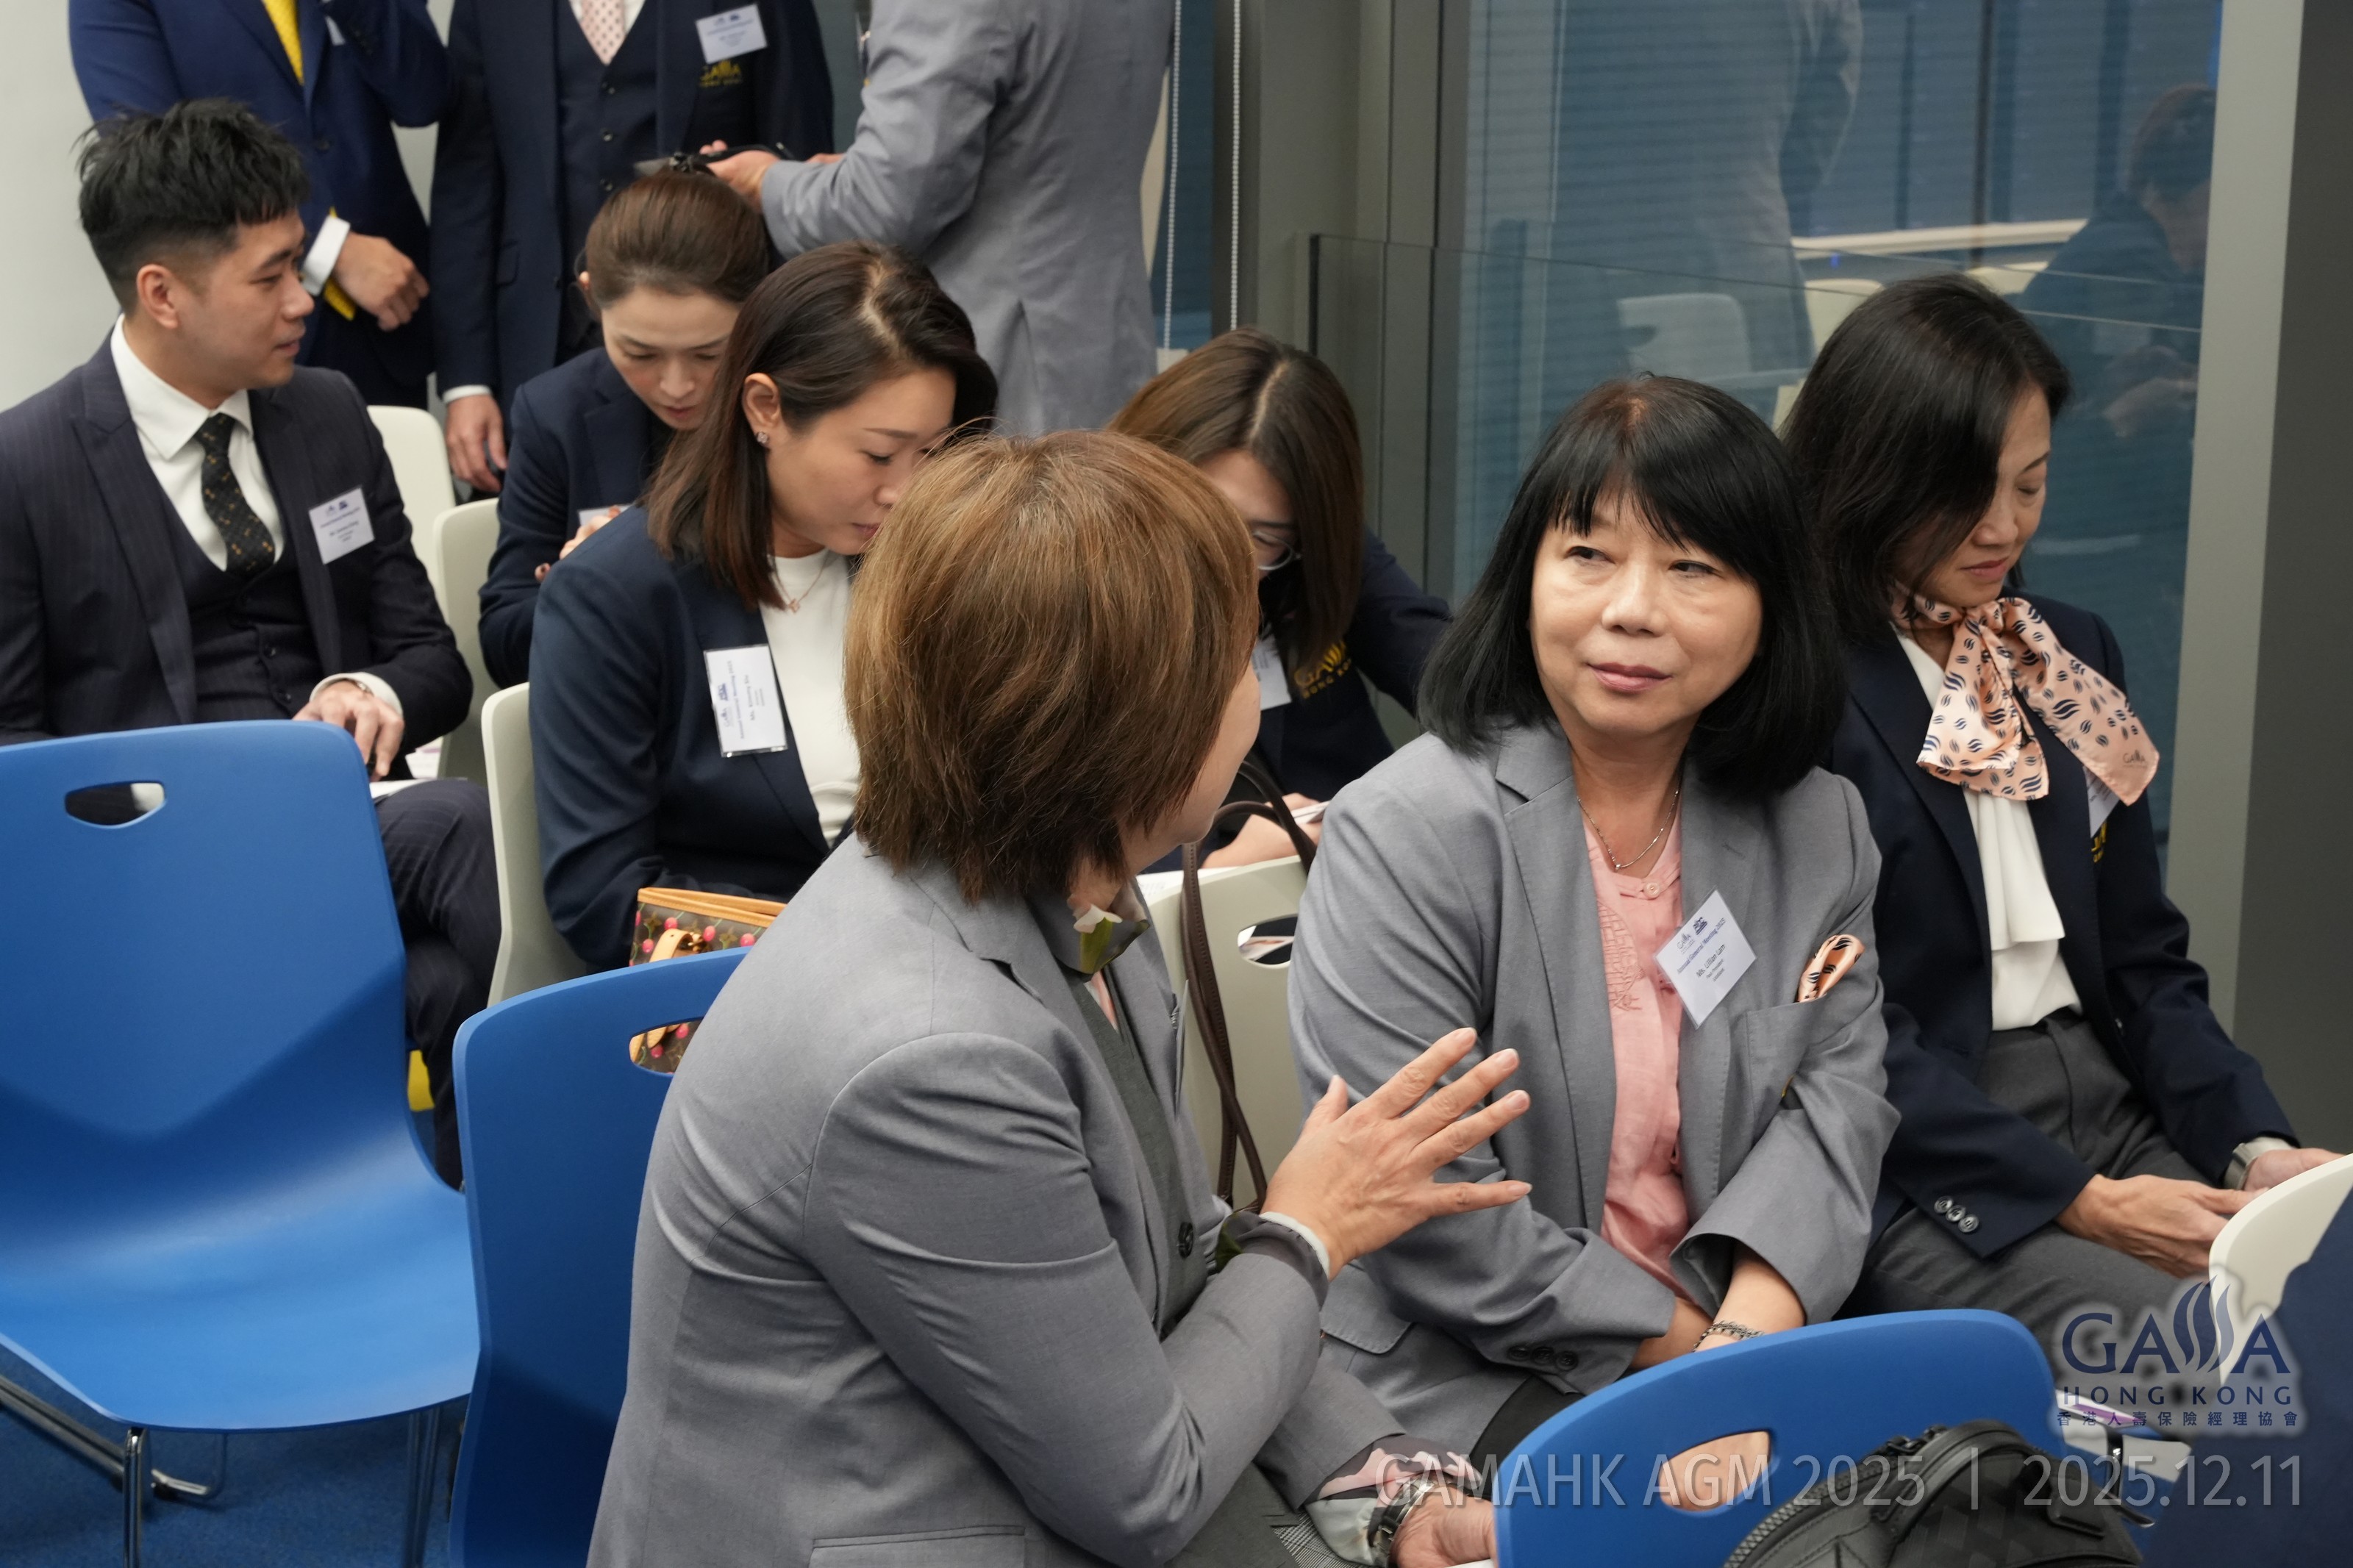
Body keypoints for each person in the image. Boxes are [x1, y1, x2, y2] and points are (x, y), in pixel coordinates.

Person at [590, 428, 1529, 1568]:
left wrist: (1391, 1490)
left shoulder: (1058, 886)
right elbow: (1145, 1488)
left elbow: (1183, 1257)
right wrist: (1312, 1231)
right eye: (1238, 663)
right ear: (1142, 733)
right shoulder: (929, 1057)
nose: (1253, 696)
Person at [1289, 376, 1896, 1486]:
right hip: (1465, 1369)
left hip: (1739, 1336)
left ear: (1772, 605)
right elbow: (1437, 1213)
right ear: (1524, 574)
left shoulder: (1819, 826)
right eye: (1587, 555)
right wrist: (1698, 1374)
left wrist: (1743, 1348)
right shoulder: (1409, 830)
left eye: (1692, 568)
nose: (1632, 610)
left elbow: (1835, 1112)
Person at [1781, 275, 2337, 1370]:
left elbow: (2142, 959)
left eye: (2030, 484)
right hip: (1920, 1158)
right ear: (1867, 474)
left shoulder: (2062, 652)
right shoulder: (1796, 692)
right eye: (1963, 494)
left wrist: (2251, 1147)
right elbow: (1836, 1033)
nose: (2004, 527)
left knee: (2326, 1316)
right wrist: (2081, 1200)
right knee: (2235, 1368)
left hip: (2115, 1105)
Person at [0, 101, 493, 1184]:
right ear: (162, 294)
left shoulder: (327, 413)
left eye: (297, 266)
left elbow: (433, 661)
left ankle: (477, 1236)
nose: (302, 299)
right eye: (270, 277)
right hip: (165, 863)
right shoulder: (26, 469)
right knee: (463, 825)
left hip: (347, 821)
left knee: (455, 984)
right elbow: (14, 749)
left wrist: (369, 691)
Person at [530, 241, 992, 970]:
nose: (904, 491)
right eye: (878, 455)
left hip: (930, 969)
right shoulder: (617, 596)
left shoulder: (920, 564)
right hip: (728, 996)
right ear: (765, 409)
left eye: (931, 453)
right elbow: (603, 899)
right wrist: (839, 957)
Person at [705, 0, 1172, 434]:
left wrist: (766, 183)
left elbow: (881, 207)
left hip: (998, 368)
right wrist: (857, 170)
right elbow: (1043, 140)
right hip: (1112, 345)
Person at [431, 0, 833, 493]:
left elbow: (800, 161)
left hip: (719, 345)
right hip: (539, 338)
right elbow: (467, 188)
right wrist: (468, 382)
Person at [1110, 329, 1449, 867]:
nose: (1225, 554)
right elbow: (1071, 861)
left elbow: (1447, 671)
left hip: (1362, 865)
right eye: (1204, 512)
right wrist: (1221, 872)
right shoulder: (1076, 594)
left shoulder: (1314, 556)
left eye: (1262, 535)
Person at [70, 0, 448, 407]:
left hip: (384, 312)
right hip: (231, 334)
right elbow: (150, 159)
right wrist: (330, 248)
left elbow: (425, 99)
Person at [476, 171, 771, 687]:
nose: (677, 386)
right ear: (591, 298)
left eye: (710, 354)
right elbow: (503, 646)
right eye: (640, 353)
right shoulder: (556, 415)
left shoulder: (805, 403)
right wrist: (580, 584)